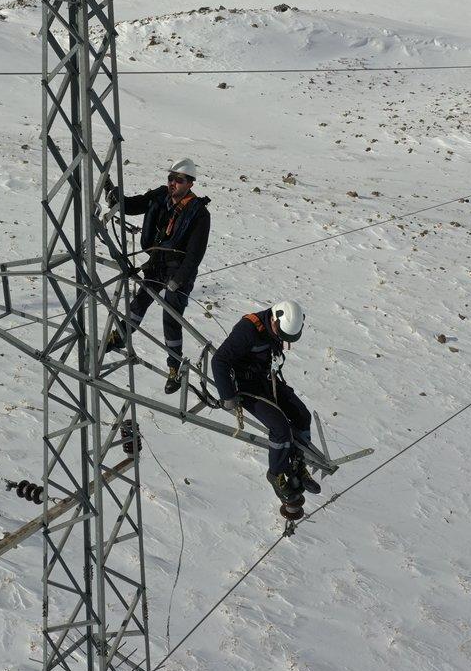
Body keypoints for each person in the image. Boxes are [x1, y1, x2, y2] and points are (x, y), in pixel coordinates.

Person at [105, 158, 211, 394]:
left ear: (190, 184)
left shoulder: (199, 214)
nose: (173, 183)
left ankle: (174, 367)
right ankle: (120, 336)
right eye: (171, 178)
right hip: (157, 263)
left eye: (178, 180)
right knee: (139, 302)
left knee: (171, 316)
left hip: (179, 269)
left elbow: (195, 254)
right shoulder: (160, 196)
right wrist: (117, 198)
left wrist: (178, 280)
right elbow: (134, 205)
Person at [211, 300, 321, 501]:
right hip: (246, 387)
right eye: (282, 334)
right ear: (274, 320)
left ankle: (298, 464)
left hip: (266, 380)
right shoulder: (248, 329)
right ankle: (276, 473)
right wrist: (227, 396)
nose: (282, 339)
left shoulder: (276, 327)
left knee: (302, 416)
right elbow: (219, 360)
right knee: (280, 428)